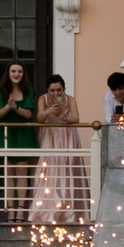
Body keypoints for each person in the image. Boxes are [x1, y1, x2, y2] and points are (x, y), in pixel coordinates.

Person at [30, 73, 87, 223]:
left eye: (59, 90)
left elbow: (76, 118)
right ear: (48, 90)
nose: (56, 93)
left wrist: (65, 118)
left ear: (63, 89)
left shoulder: (70, 99)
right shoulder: (42, 99)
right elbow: (39, 119)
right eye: (52, 90)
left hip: (67, 135)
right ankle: (46, 210)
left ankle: (68, 211)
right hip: (49, 136)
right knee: (47, 169)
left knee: (67, 169)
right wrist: (48, 111)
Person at [0, 62, 38, 225]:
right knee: (9, 171)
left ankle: (20, 210)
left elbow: (29, 114)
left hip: (23, 134)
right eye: (13, 71)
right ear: (8, 73)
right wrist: (8, 106)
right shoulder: (1, 90)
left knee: (21, 171)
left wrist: (16, 107)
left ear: (23, 73)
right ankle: (10, 210)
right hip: (7, 134)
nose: (16, 74)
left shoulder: (29, 90)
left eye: (19, 71)